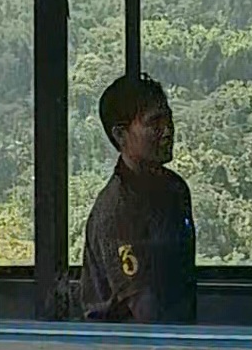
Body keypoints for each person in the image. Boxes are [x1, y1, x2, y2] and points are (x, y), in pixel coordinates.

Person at [80, 72, 197, 324]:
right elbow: (145, 309)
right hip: (123, 348)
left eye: (169, 120)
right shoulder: (116, 211)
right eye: (154, 123)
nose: (167, 131)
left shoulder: (175, 190)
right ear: (121, 135)